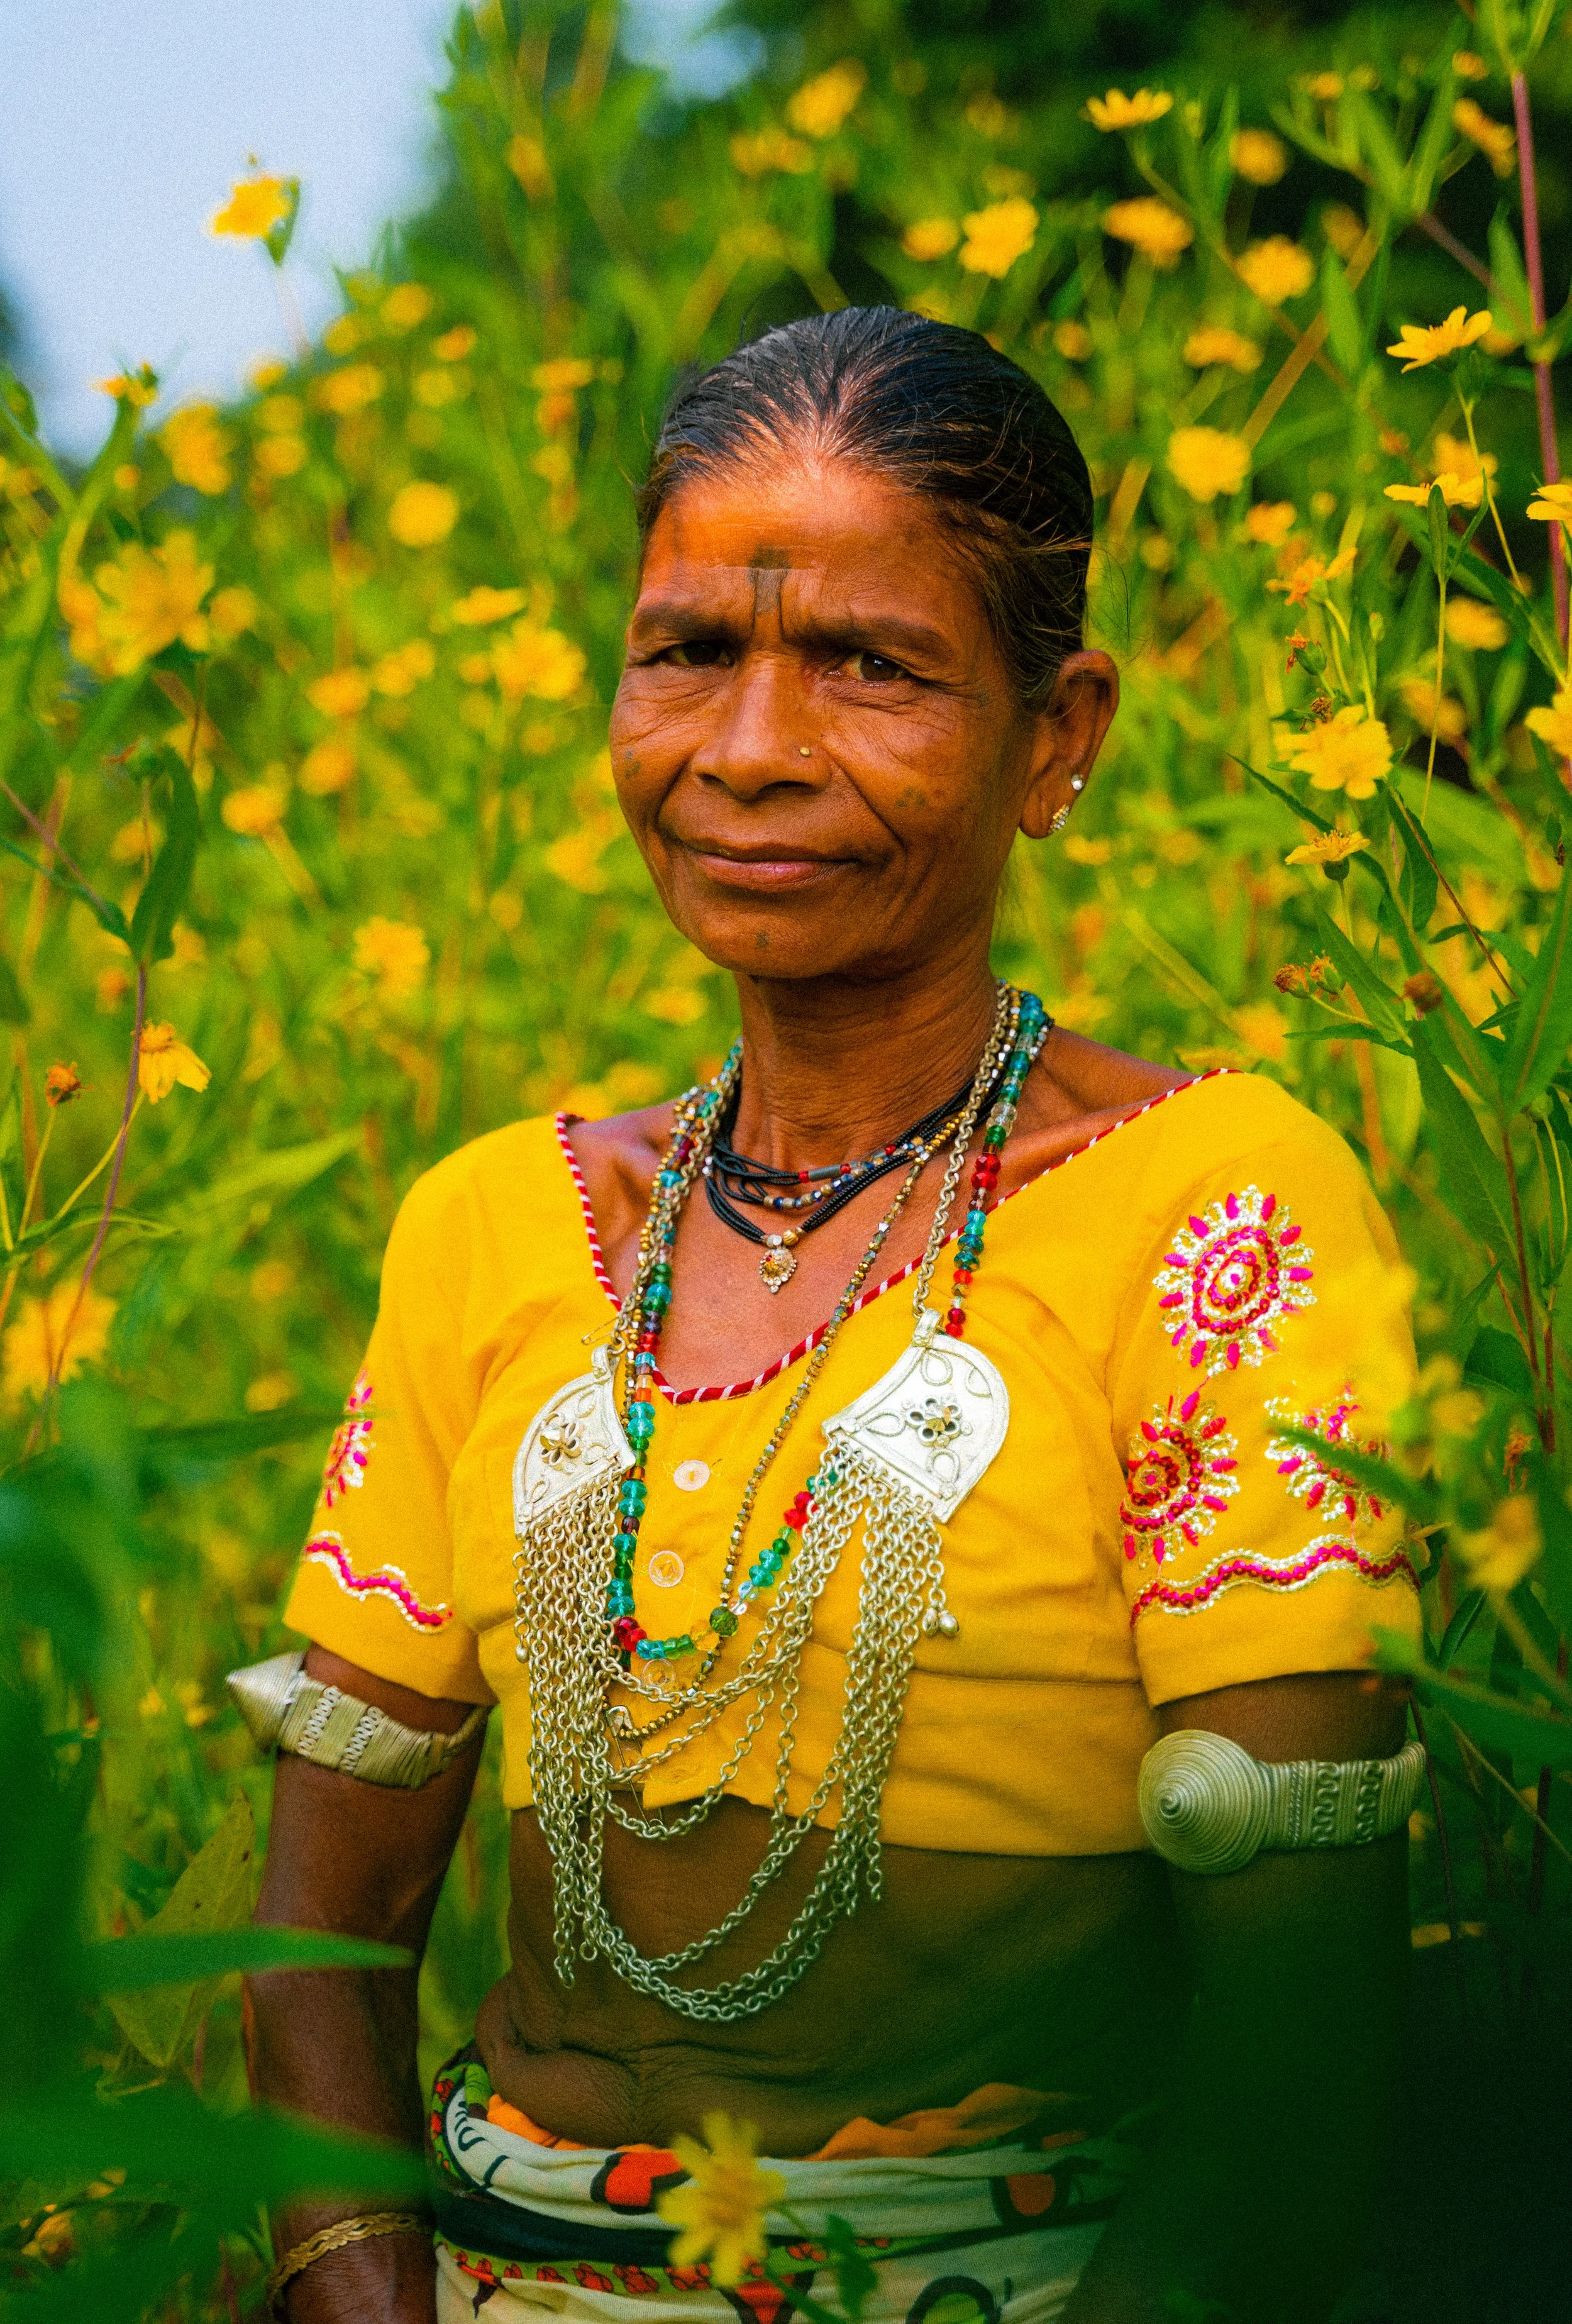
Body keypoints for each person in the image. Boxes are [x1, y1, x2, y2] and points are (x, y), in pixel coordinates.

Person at [241, 307, 1423, 2324]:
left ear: (1059, 735)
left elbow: (1298, 2047)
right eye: (689, 651)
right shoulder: (494, 1227)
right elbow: (317, 1930)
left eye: (870, 666)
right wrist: (365, 2285)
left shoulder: (1206, 1207)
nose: (751, 748)